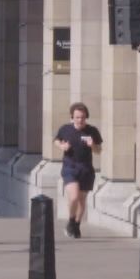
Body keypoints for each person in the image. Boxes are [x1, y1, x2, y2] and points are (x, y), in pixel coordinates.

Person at [53, 102, 103, 239]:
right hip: (70, 166)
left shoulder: (92, 131)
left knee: (82, 200)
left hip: (86, 168)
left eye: (82, 117)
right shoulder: (66, 129)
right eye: (77, 117)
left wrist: (92, 145)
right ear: (72, 117)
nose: (80, 120)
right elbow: (56, 140)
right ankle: (70, 221)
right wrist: (62, 146)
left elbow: (99, 150)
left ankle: (76, 224)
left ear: (86, 117)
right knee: (74, 197)